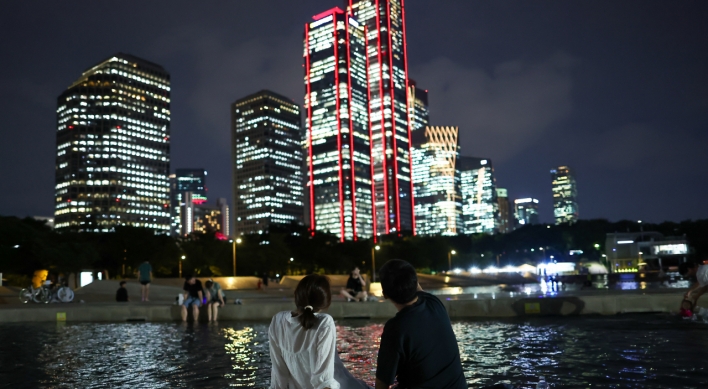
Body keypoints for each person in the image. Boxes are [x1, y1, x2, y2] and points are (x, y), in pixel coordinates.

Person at [268, 274, 371, 389]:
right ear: (326, 302)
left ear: (296, 295)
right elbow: (324, 381)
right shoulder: (324, 322)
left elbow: (278, 374)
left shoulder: (278, 320)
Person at [375, 259, 466, 389]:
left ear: (385, 295)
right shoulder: (434, 303)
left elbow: (382, 384)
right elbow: (419, 289)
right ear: (415, 282)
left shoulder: (395, 328)